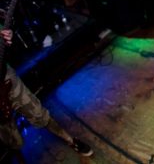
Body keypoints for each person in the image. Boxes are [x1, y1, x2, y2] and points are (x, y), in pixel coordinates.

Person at [0, 30, 93, 158]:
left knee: (39, 113)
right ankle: (19, 157)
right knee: (11, 137)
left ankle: (70, 140)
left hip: (5, 76)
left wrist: (4, 36)